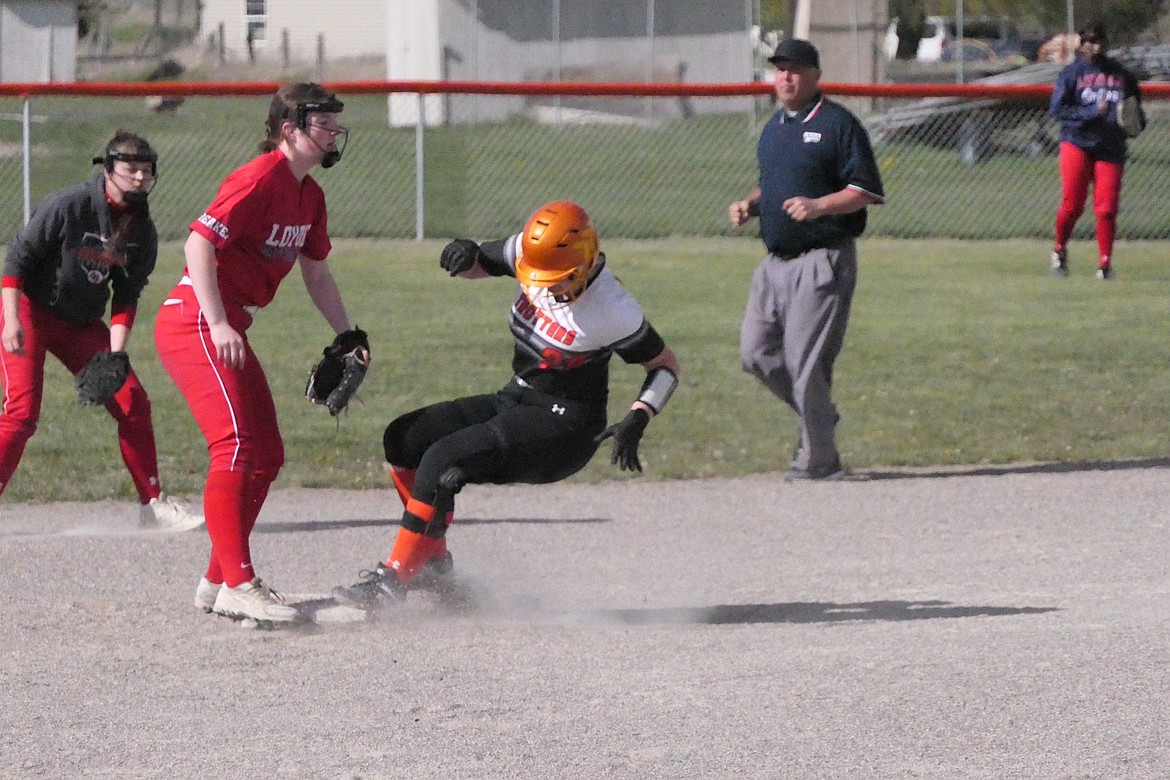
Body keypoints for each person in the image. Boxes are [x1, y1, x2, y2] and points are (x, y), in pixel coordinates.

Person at [332, 200, 681, 608]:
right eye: (540, 277)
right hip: (515, 397)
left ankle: (395, 580)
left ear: (585, 263)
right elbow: (483, 261)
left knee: (442, 458)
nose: (546, 288)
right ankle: (434, 566)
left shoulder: (613, 309)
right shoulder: (530, 253)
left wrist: (641, 414)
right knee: (405, 439)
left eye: (559, 280)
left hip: (564, 430)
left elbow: (665, 366)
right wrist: (466, 257)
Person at [154, 82, 360, 624]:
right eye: (325, 124)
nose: (335, 132)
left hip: (225, 326)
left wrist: (348, 333)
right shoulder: (258, 177)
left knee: (266, 454)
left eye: (337, 124)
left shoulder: (310, 196)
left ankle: (219, 581)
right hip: (195, 322)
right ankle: (242, 582)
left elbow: (315, 271)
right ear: (290, 130)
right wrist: (219, 320)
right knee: (237, 447)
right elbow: (198, 242)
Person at [0, 131, 203, 530]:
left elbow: (126, 295)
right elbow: (17, 259)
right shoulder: (69, 205)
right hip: (30, 311)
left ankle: (153, 504)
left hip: (81, 323)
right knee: (21, 415)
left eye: (147, 171)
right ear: (108, 170)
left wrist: (115, 354)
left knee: (133, 403)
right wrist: (11, 320)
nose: (140, 179)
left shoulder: (141, 230)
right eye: (131, 170)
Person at [728, 38, 884, 481]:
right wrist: (752, 204)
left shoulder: (839, 125)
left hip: (822, 259)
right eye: (780, 69)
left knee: (805, 363)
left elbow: (866, 192)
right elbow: (774, 184)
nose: (786, 77)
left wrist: (818, 206)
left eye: (795, 69)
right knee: (754, 353)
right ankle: (820, 418)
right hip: (773, 263)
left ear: (816, 75)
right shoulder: (774, 127)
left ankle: (819, 460)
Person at [1048, 21, 1144, 280]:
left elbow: (1137, 114)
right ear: (1082, 42)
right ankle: (1059, 250)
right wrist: (1090, 112)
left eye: (1101, 40)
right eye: (1092, 40)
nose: (1097, 45)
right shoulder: (1072, 74)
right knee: (1072, 205)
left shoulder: (1121, 75)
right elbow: (1057, 110)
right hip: (1077, 143)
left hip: (1110, 147)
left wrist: (1133, 123)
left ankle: (1105, 264)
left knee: (1107, 208)